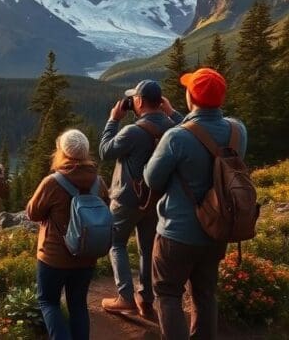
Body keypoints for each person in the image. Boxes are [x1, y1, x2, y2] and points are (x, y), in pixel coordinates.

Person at [144, 68, 247, 340]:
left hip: (177, 233)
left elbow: (152, 179)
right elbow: (208, 139)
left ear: (191, 96)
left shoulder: (176, 137)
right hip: (217, 230)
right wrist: (179, 118)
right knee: (205, 295)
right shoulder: (238, 131)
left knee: (167, 294)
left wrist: (176, 123)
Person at [99, 80, 184, 320]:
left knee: (116, 244)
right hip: (154, 200)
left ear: (138, 101)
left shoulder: (132, 131)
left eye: (133, 99)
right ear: (160, 102)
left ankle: (125, 297)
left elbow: (105, 151)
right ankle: (146, 299)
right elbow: (191, 126)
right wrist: (172, 112)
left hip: (126, 199)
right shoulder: (173, 128)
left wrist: (113, 119)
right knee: (147, 248)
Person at [26, 129, 109, 340]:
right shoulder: (98, 183)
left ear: (62, 152)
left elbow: (32, 213)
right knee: (78, 305)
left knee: (49, 302)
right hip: (86, 255)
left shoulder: (53, 182)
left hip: (54, 256)